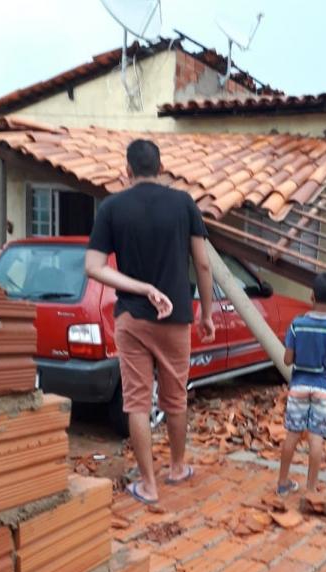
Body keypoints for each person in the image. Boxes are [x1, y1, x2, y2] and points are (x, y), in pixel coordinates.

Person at [85, 139, 215, 505]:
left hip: (132, 318)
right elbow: (203, 264)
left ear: (128, 171)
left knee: (138, 403)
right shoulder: (183, 203)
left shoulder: (111, 207)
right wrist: (206, 313)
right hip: (176, 318)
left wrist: (140, 288)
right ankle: (176, 468)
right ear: (161, 168)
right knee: (175, 399)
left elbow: (93, 268)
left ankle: (148, 484)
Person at [276, 272, 326, 495]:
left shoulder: (297, 325)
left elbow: (288, 359)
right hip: (325, 389)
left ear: (311, 296)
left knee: (292, 434)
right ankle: (310, 489)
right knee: (316, 438)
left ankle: (282, 483)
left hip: (299, 386)